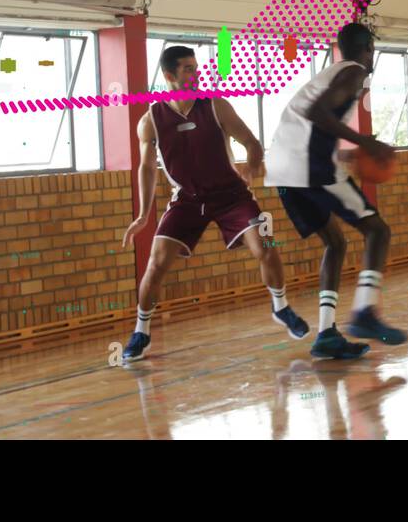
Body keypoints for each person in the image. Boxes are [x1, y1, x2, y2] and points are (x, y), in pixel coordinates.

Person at [120, 46, 308, 363]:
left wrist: (251, 166)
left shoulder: (216, 105)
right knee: (156, 264)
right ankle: (141, 331)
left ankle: (281, 307)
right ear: (169, 76)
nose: (197, 74)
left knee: (267, 243)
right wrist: (142, 214)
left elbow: (252, 142)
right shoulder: (150, 120)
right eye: (188, 69)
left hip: (232, 195)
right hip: (187, 200)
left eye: (197, 67)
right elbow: (148, 168)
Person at [264, 23, 407, 359]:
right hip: (308, 165)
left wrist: (342, 152)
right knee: (377, 230)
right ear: (368, 47)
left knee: (336, 241)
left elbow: (306, 117)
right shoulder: (354, 73)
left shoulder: (331, 72)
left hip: (284, 169)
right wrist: (364, 142)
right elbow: (317, 114)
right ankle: (365, 314)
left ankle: (326, 334)